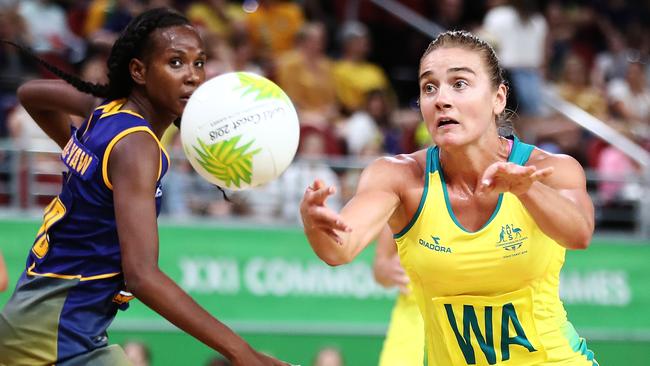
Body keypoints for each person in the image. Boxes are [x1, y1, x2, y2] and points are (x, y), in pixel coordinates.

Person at [0, 8, 287, 366]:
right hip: (50, 338)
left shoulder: (105, 111)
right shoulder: (136, 146)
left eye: (199, 64)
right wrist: (242, 353)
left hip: (52, 329)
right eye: (176, 63)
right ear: (138, 71)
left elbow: (30, 94)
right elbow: (142, 276)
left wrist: (77, 153)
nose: (192, 77)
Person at [300, 30, 597, 365]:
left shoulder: (547, 168)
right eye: (429, 87)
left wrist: (526, 189)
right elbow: (339, 248)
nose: (441, 98)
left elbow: (580, 232)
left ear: (498, 98)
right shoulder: (397, 176)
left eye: (459, 84)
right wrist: (314, 225)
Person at [373, 226, 424, 366]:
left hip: (465, 317)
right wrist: (389, 269)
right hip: (411, 321)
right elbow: (380, 267)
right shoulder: (401, 205)